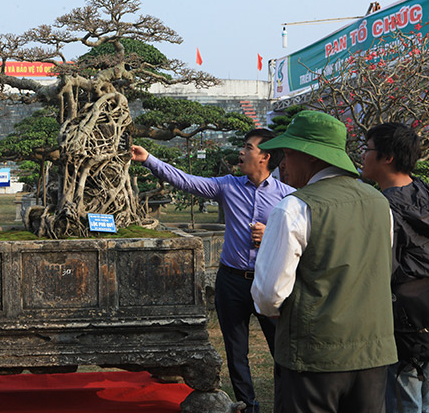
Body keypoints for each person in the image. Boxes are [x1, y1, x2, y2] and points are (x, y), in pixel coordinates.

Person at [132, 128, 294, 413]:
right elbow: (186, 181)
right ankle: (249, 406)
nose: (240, 152)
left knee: (280, 350)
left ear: (265, 157)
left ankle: (284, 405)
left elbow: (301, 237)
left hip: (269, 282)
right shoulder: (227, 186)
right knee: (236, 351)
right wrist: (148, 159)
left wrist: (271, 233)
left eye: (248, 147)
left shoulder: (289, 197)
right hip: (231, 281)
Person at [251, 110, 397, 412]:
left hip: (313, 357)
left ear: (312, 157)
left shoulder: (294, 207)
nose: (282, 163)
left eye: (288, 154)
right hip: (373, 352)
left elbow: (268, 296)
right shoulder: (380, 203)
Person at [360, 122, 429, 413]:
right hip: (425, 313)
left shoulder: (379, 207)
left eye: (367, 149)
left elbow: (375, 271)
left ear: (387, 157)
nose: (362, 155)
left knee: (404, 402)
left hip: (401, 324)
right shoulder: (424, 192)